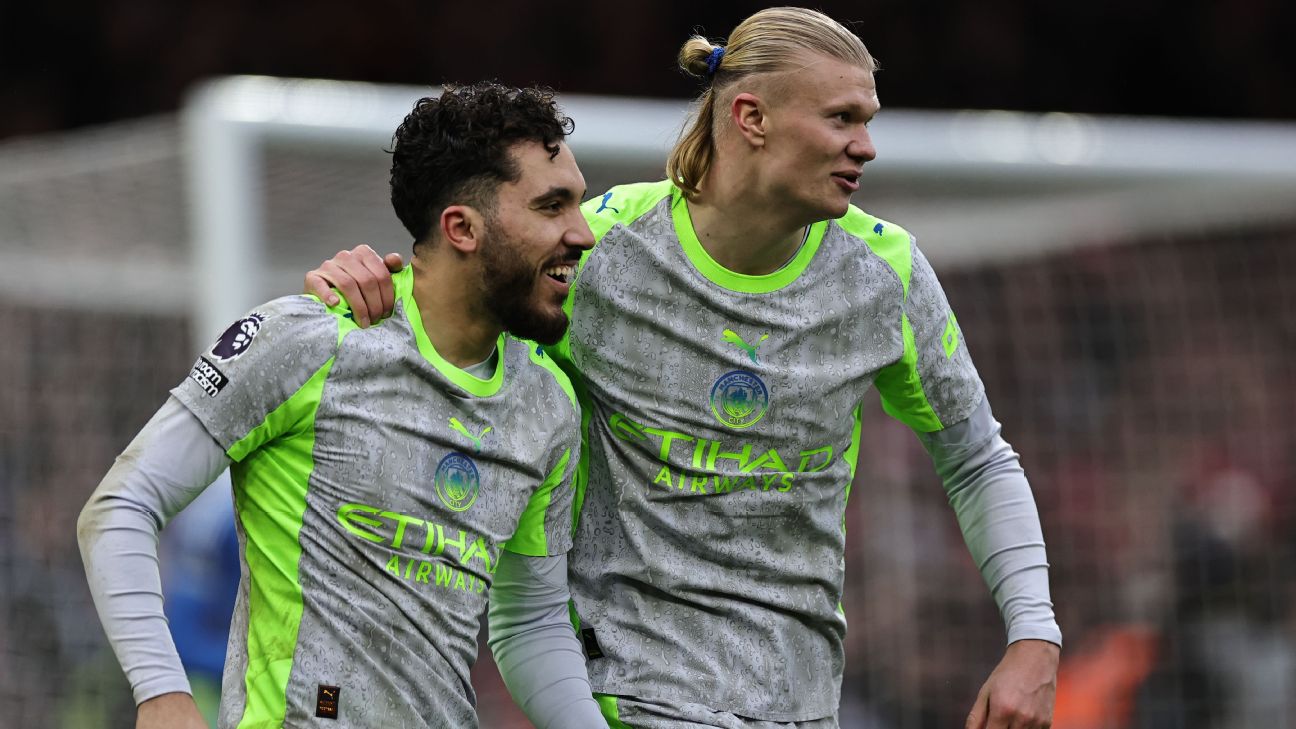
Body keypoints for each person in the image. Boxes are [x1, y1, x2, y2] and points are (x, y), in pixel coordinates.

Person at [309, 8, 1062, 728]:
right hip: (629, 697)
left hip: (801, 702)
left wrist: (1035, 633)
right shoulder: (604, 249)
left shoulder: (883, 272)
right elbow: (455, 303)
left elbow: (975, 457)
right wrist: (358, 286)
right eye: (842, 119)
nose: (865, 146)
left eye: (867, 121)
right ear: (751, 118)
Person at [78, 82, 608, 728]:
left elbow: (532, 621)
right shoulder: (309, 341)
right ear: (462, 228)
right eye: (552, 206)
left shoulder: (547, 405)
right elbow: (122, 505)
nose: (582, 233)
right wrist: (162, 693)